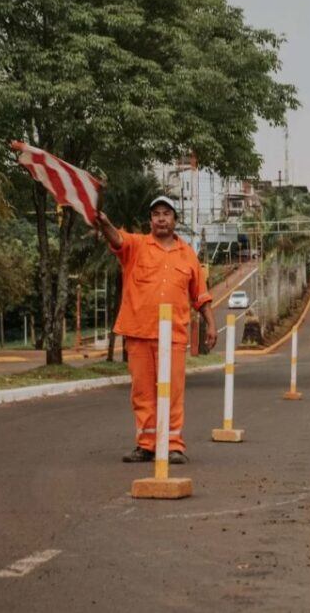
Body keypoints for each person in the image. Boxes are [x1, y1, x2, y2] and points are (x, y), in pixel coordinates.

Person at [96, 196, 217, 464]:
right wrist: (104, 223)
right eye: (156, 214)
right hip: (139, 332)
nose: (161, 218)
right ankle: (146, 444)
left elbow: (200, 294)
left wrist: (210, 323)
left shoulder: (187, 255)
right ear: (150, 220)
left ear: (175, 219)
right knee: (142, 392)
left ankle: (173, 444)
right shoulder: (137, 246)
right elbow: (117, 239)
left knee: (172, 390)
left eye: (166, 214)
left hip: (173, 335)